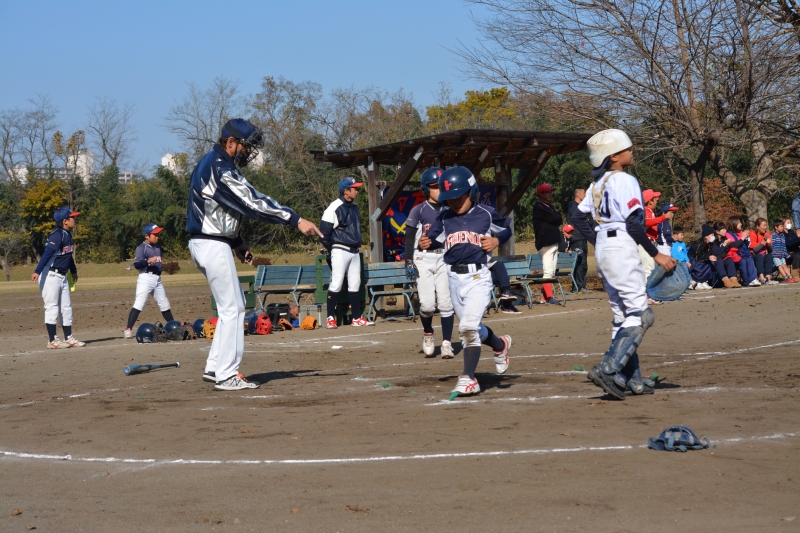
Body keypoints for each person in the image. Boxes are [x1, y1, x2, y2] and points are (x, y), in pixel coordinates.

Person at [187, 118, 322, 391]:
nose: (249, 152)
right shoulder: (221, 168)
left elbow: (219, 209)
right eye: (246, 146)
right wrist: (295, 219)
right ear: (231, 142)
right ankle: (226, 374)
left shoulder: (210, 161)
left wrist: (237, 241)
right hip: (212, 244)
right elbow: (253, 202)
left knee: (230, 307)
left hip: (209, 242)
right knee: (234, 308)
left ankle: (215, 367)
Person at [570, 129, 677, 400]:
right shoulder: (625, 180)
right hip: (621, 248)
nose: (632, 151)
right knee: (641, 315)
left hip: (605, 249)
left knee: (623, 317)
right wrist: (656, 254)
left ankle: (632, 381)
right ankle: (608, 368)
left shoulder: (598, 183)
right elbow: (632, 223)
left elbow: (577, 218)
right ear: (614, 156)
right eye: (627, 149)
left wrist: (599, 240)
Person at [419, 166, 513, 397]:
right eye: (449, 198)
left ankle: (468, 378)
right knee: (473, 329)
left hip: (478, 277)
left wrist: (496, 241)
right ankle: (500, 345)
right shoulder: (445, 216)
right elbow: (436, 239)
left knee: (468, 328)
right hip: (453, 278)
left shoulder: (485, 213)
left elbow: (506, 230)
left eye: (458, 197)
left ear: (471, 192)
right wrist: (425, 242)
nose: (453, 202)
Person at [404, 167, 455, 357]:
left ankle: (447, 343)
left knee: (446, 303)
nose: (439, 190)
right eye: (435, 186)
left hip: (444, 257)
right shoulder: (419, 210)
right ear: (426, 189)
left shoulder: (450, 210)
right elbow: (410, 237)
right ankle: (428, 332)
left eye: (441, 186)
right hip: (423, 258)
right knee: (427, 306)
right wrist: (408, 259)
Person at [320, 177, 373, 329]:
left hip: (354, 250)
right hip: (340, 249)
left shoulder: (354, 206)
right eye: (354, 188)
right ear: (346, 191)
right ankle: (330, 318)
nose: (357, 191)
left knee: (355, 284)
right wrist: (333, 249)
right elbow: (323, 235)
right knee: (336, 283)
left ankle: (356, 317)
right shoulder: (334, 207)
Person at [31, 207, 86, 349]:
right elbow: (47, 254)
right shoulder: (57, 235)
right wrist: (37, 271)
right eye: (72, 217)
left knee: (66, 307)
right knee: (52, 307)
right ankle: (52, 340)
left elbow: (68, 255)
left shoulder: (67, 234)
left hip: (62, 276)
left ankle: (68, 338)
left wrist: (73, 270)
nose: (74, 220)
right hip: (50, 275)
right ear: (65, 221)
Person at [123, 223, 176, 338]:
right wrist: (147, 261)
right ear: (146, 236)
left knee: (164, 303)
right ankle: (128, 329)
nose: (157, 237)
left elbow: (158, 264)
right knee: (139, 303)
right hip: (146, 278)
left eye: (158, 234)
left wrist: (166, 267)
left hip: (157, 279)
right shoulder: (141, 248)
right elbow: (137, 264)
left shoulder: (157, 247)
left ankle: (173, 326)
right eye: (154, 234)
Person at [532, 183, 562, 305]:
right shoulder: (539, 206)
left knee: (552, 271)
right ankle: (549, 297)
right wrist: (556, 217)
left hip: (553, 242)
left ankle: (544, 298)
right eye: (547, 192)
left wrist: (556, 217)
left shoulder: (550, 206)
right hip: (545, 243)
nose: (550, 194)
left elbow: (559, 219)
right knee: (548, 271)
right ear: (541, 194)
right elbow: (554, 218)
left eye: (551, 191)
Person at [566, 188, 591, 293]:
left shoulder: (581, 207)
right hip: (576, 238)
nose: (585, 195)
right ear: (578, 194)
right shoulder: (573, 206)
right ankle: (579, 286)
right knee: (580, 262)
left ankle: (579, 286)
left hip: (582, 237)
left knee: (583, 262)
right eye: (584, 193)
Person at [724, 216, 759, 286]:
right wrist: (742, 238)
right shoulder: (728, 234)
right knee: (743, 262)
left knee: (750, 260)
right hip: (736, 255)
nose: (741, 224)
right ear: (733, 224)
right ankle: (746, 281)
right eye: (739, 223)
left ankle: (753, 279)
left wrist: (746, 238)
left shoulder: (741, 233)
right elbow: (734, 245)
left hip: (746, 254)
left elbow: (747, 244)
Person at [711, 221, 741, 288]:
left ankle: (733, 279)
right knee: (718, 260)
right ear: (717, 231)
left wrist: (727, 245)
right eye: (723, 229)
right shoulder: (713, 241)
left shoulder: (723, 239)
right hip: (715, 259)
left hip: (723, 257)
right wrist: (724, 245)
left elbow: (725, 252)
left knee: (729, 260)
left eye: (725, 229)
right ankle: (725, 280)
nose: (725, 231)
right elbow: (715, 252)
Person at [687, 224, 716, 289]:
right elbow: (698, 257)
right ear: (706, 236)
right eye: (712, 235)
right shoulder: (698, 244)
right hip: (694, 260)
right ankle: (698, 281)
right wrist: (708, 257)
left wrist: (710, 257)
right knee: (701, 265)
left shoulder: (710, 244)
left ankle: (704, 281)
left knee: (711, 264)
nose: (713, 237)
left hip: (704, 260)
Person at [749, 218, 777, 285]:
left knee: (769, 256)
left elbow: (770, 250)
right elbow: (755, 250)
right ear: (757, 226)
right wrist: (763, 241)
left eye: (766, 225)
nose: (765, 227)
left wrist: (769, 244)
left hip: (763, 255)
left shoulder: (767, 233)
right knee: (759, 256)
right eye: (764, 225)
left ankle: (768, 278)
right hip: (753, 256)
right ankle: (761, 278)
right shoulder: (753, 233)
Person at [558, 224, 584, 292]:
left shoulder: (568, 240)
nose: (570, 235)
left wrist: (568, 250)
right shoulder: (559, 238)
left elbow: (565, 248)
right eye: (568, 233)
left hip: (560, 262)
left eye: (571, 233)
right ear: (563, 232)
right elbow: (560, 248)